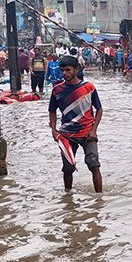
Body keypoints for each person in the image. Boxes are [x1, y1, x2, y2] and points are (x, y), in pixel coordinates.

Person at [48, 56, 103, 193]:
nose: (65, 73)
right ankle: (68, 196)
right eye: (62, 71)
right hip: (67, 134)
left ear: (76, 70)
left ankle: (99, 197)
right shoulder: (57, 90)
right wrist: (54, 131)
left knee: (94, 165)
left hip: (87, 132)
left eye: (68, 70)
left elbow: (99, 109)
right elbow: (52, 111)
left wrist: (94, 130)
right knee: (67, 168)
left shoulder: (88, 88)